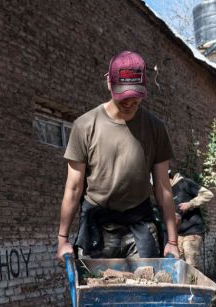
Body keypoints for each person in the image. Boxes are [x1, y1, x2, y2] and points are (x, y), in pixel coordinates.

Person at [56, 50, 180, 261]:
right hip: (98, 226)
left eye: (135, 95)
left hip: (140, 224)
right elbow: (74, 187)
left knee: (147, 290)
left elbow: (163, 187)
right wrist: (63, 240)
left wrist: (172, 241)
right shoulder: (85, 126)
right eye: (123, 95)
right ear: (109, 84)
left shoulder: (155, 129)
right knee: (96, 292)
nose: (130, 102)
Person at [169, 169, 214, 270]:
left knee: (190, 266)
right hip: (178, 234)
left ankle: (193, 286)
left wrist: (190, 204)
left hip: (192, 231)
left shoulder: (184, 183)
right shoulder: (167, 192)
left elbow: (208, 194)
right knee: (177, 266)